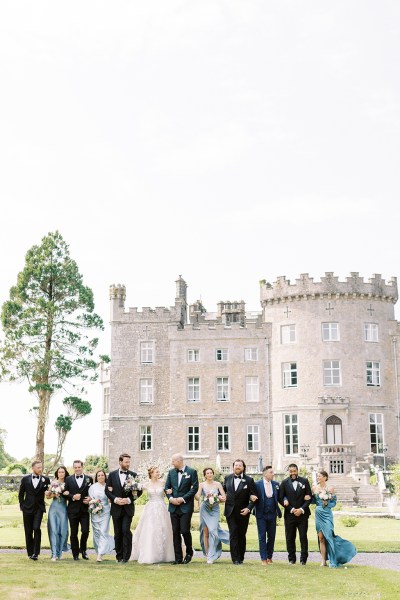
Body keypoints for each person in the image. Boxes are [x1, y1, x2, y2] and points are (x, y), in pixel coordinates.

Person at [312, 469, 357, 568]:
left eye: (319, 476)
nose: (318, 478)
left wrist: (327, 503)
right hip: (318, 513)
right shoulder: (314, 488)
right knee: (321, 538)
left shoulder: (330, 489)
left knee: (329, 536)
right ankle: (323, 561)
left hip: (327, 514)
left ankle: (333, 560)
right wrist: (308, 498)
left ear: (325, 477)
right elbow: (312, 501)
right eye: (317, 476)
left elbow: (334, 503)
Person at [130, 466, 175, 564]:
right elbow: (135, 492)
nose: (158, 474)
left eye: (159, 472)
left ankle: (166, 554)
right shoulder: (146, 484)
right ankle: (149, 554)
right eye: (156, 472)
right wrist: (133, 490)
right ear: (151, 473)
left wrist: (169, 491)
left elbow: (169, 491)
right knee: (150, 529)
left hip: (161, 507)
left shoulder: (163, 483)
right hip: (150, 508)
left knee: (164, 528)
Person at [105, 453, 142, 563]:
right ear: (120, 462)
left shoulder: (133, 475)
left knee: (126, 530)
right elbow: (107, 491)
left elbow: (138, 492)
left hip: (128, 508)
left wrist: (129, 499)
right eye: (126, 462)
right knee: (118, 533)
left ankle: (127, 556)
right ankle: (119, 556)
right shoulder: (112, 475)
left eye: (129, 462)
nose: (128, 464)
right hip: (116, 508)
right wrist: (115, 499)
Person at [164, 453, 199, 564]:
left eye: (173, 461)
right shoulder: (171, 473)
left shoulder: (191, 472)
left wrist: (182, 499)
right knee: (175, 533)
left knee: (184, 530)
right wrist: (170, 498)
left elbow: (194, 488)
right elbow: (167, 488)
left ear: (179, 461)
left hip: (186, 506)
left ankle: (189, 551)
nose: (172, 463)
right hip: (173, 507)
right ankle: (178, 558)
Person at [222, 459, 258, 565]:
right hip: (230, 511)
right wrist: (219, 496)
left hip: (243, 512)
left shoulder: (249, 480)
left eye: (240, 465)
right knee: (233, 533)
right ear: (233, 467)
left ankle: (241, 557)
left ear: (243, 467)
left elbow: (255, 497)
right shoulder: (227, 478)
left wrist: (248, 508)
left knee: (241, 534)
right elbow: (223, 491)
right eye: (236, 465)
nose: (237, 467)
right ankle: (235, 558)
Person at [278, 463, 312, 565]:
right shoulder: (284, 483)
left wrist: (301, 509)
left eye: (294, 471)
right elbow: (280, 498)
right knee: (290, 537)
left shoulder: (304, 481)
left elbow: (309, 497)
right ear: (288, 472)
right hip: (290, 515)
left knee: (303, 537)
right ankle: (291, 559)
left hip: (303, 515)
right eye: (291, 471)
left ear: (298, 471)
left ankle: (303, 559)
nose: (293, 473)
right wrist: (292, 509)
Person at [195, 467, 229, 564]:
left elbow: (224, 497)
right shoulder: (201, 485)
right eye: (207, 473)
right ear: (205, 475)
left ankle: (213, 554)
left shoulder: (217, 484)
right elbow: (197, 497)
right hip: (204, 508)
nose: (209, 474)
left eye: (211, 473)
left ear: (213, 474)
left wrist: (218, 497)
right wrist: (196, 493)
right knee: (205, 532)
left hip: (214, 509)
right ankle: (208, 555)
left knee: (213, 530)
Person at [18, 460, 50, 560]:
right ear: (33, 468)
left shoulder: (46, 479)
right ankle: (30, 553)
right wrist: (22, 506)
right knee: (28, 531)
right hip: (27, 508)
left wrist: (49, 493)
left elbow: (49, 493)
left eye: (41, 467)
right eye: (38, 467)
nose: (40, 469)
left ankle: (36, 553)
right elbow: (21, 493)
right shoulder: (25, 479)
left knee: (36, 528)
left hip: (39, 508)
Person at [64, 459, 93, 561]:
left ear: (82, 467)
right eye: (75, 467)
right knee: (73, 533)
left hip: (85, 510)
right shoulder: (68, 479)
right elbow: (65, 493)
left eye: (79, 467)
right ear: (73, 468)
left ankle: (83, 550)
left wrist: (90, 498)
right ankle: (75, 553)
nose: (77, 469)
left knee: (85, 531)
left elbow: (92, 493)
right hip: (72, 510)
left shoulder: (89, 479)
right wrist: (72, 497)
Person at [254, 465, 282, 565]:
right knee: (262, 537)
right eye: (271, 472)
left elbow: (280, 497)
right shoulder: (257, 484)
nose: (273, 474)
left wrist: (286, 501)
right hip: (261, 514)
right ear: (265, 473)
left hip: (272, 514)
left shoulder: (276, 484)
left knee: (272, 536)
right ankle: (263, 559)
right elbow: (252, 496)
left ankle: (269, 557)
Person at [88, 470, 115, 562]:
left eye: (102, 475)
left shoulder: (108, 486)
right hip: (95, 512)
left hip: (106, 511)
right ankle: (98, 550)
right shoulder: (92, 487)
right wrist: (93, 503)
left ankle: (100, 555)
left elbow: (111, 499)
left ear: (105, 476)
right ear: (96, 477)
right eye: (98, 475)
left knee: (103, 531)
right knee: (96, 532)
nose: (100, 477)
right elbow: (90, 499)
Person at [45, 465, 70, 561]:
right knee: (53, 530)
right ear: (57, 473)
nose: (61, 474)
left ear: (65, 473)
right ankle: (54, 554)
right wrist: (53, 494)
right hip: (54, 508)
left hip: (63, 509)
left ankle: (60, 553)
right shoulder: (53, 483)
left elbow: (69, 496)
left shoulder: (68, 483)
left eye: (62, 472)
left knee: (62, 531)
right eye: (59, 472)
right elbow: (48, 496)